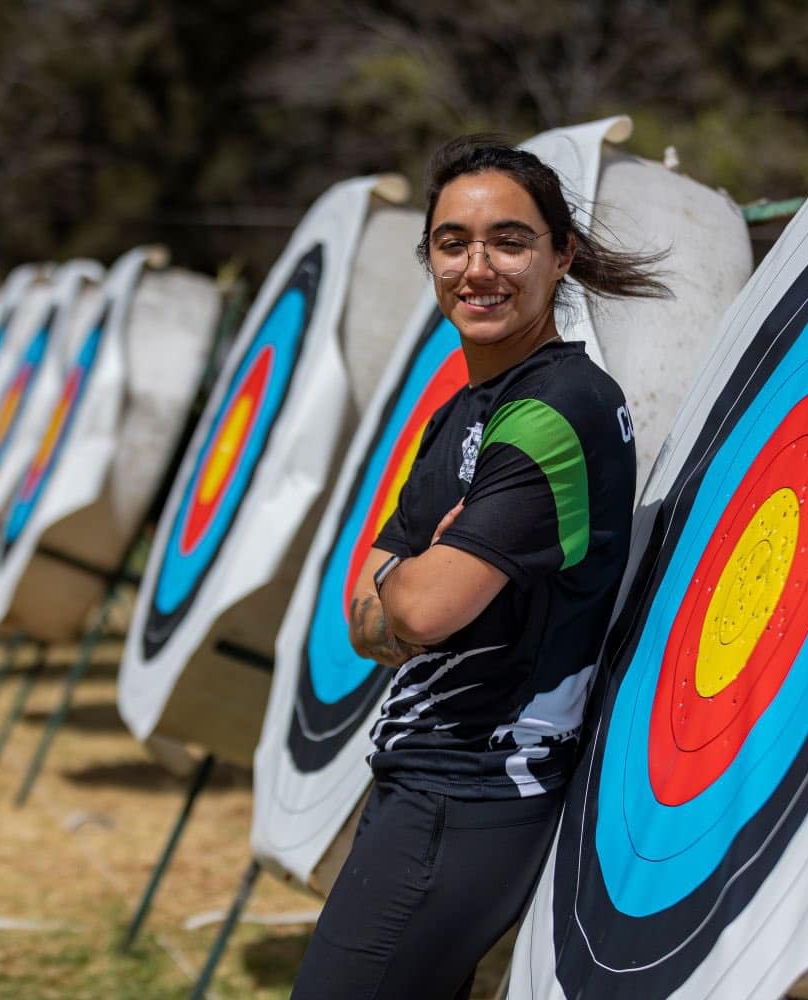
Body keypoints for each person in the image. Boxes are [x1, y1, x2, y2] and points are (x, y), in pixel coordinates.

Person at [290, 135, 670, 999]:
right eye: (453, 243)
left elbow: (418, 612)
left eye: (510, 240)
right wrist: (405, 584)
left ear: (560, 254)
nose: (478, 267)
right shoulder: (466, 412)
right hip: (427, 782)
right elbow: (365, 611)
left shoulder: (556, 409)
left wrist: (406, 584)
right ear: (427, 257)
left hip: (469, 796)